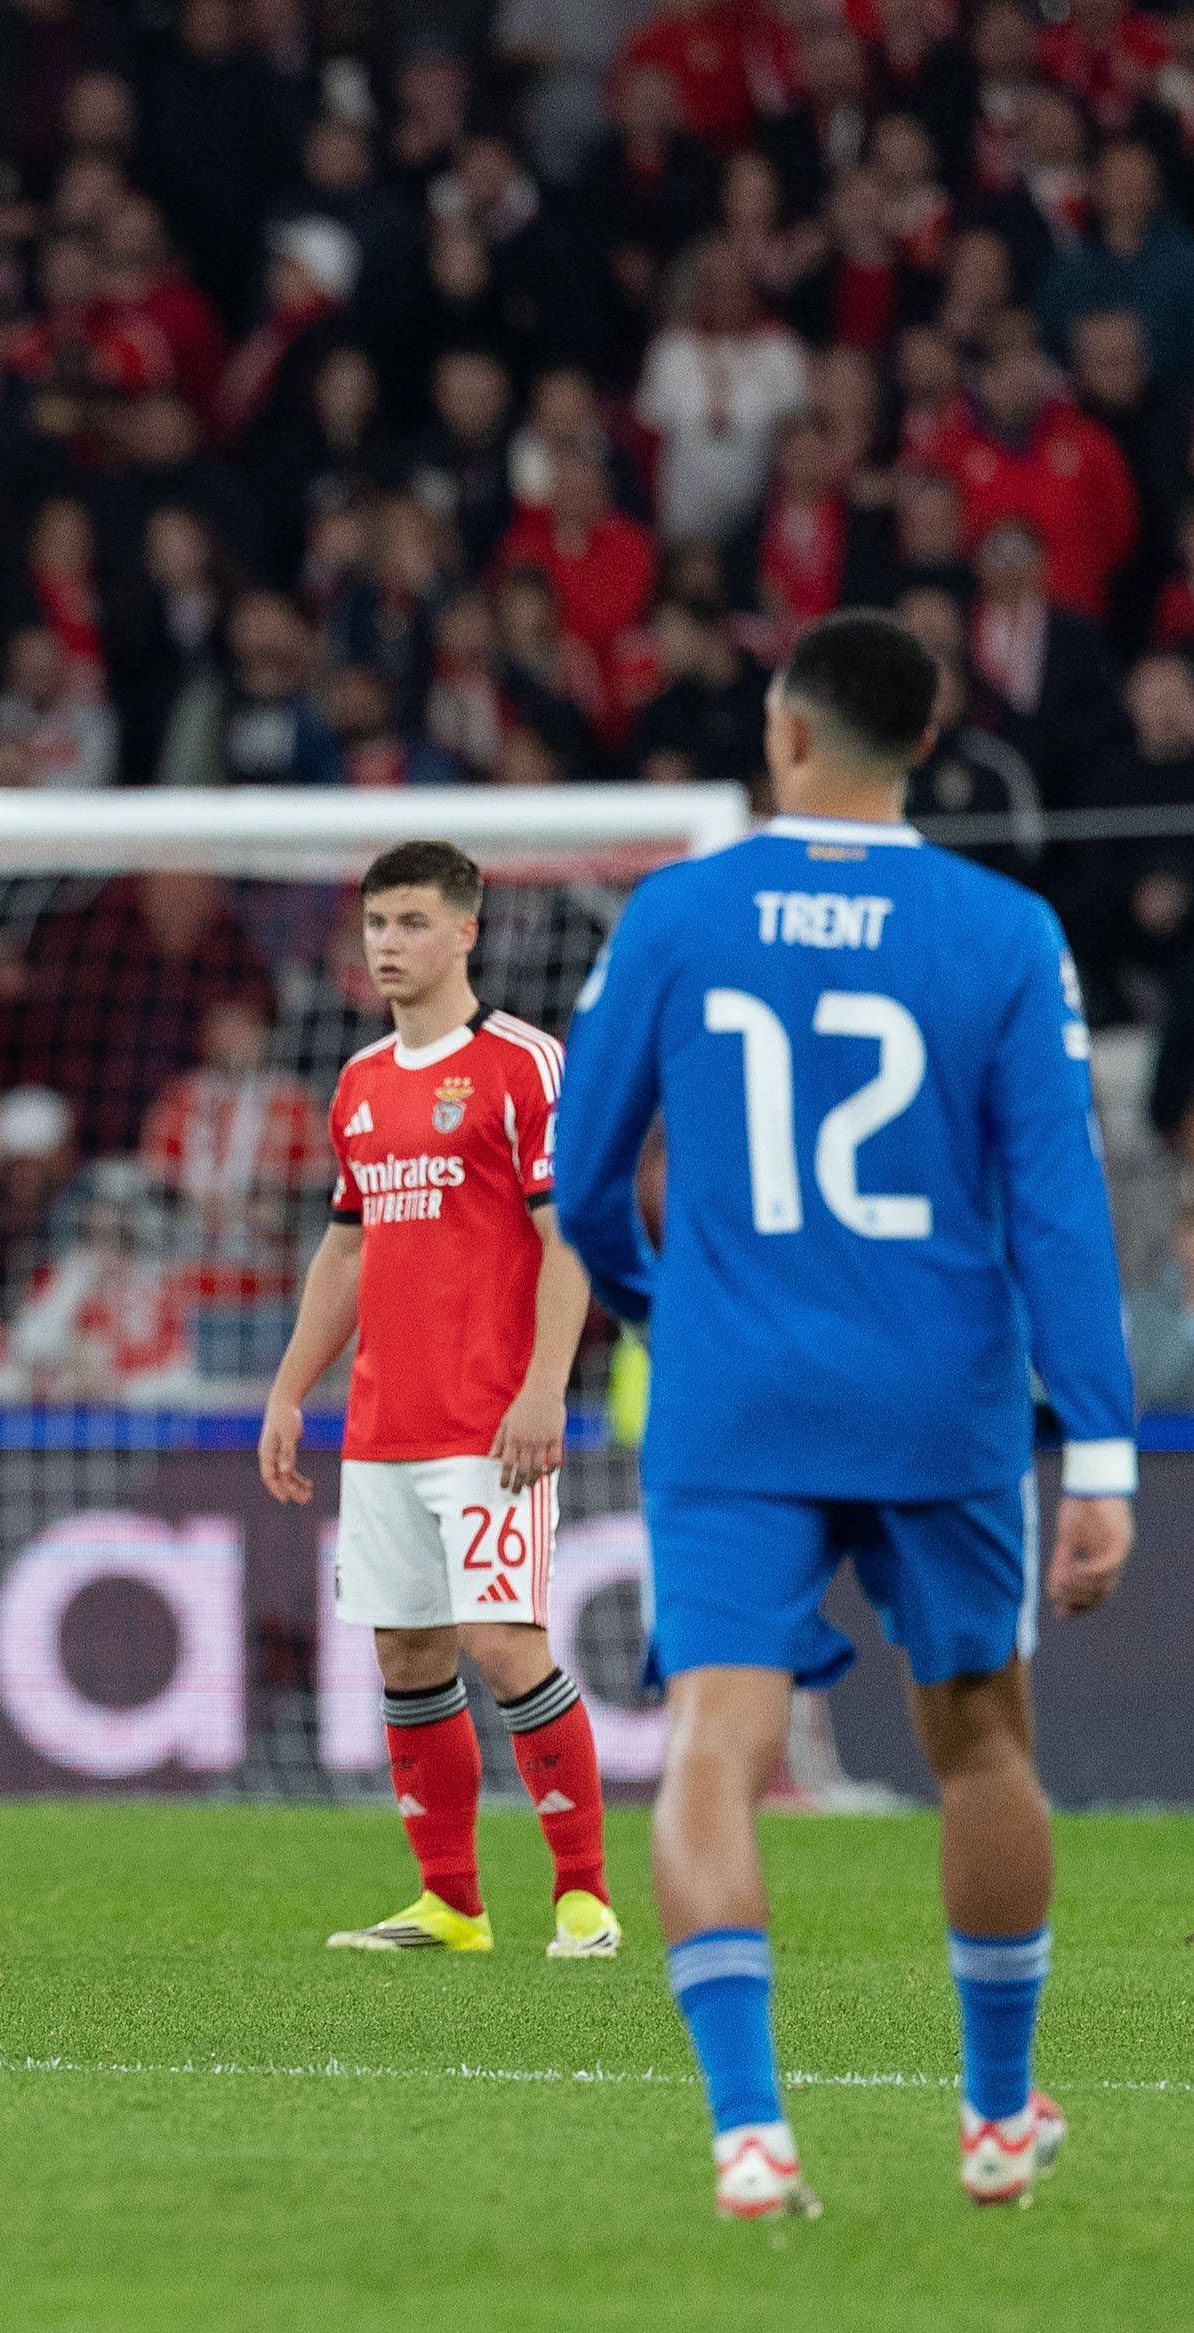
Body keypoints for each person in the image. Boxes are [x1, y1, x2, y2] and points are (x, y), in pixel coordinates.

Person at [555, 610, 1136, 2219]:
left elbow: (580, 1178)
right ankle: (995, 2116)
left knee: (713, 1742)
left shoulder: (676, 912)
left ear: (787, 733)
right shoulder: (1002, 930)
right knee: (979, 1743)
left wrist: (666, 1307)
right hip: (937, 1396)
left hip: (733, 1395)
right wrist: (1098, 1446)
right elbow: (1057, 1206)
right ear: (923, 745)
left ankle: (748, 2134)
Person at [258, 843, 615, 1959]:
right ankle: (450, 1903)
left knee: (501, 1643)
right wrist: (288, 1389)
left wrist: (543, 1389)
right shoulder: (360, 1082)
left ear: (466, 931)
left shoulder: (523, 1065)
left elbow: (568, 1240)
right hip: (382, 1423)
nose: (387, 944)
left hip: (488, 1420)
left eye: (412, 922)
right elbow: (345, 1248)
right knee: (406, 1656)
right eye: (375, 923)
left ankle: (584, 1898)